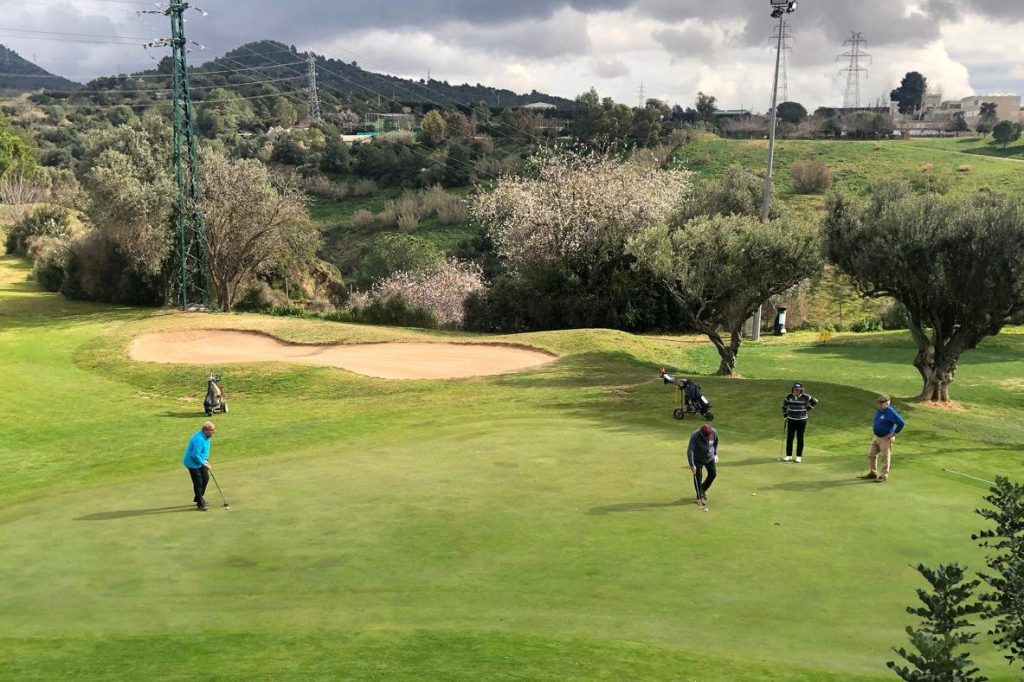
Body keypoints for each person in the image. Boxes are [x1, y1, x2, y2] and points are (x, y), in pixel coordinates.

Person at [861, 395, 905, 483]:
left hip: (885, 438)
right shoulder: (879, 410)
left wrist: (894, 433)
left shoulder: (891, 412)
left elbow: (901, 423)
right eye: (879, 403)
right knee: (871, 454)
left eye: (881, 404)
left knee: (885, 457)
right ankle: (873, 473)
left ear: (887, 403)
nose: (879, 405)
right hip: (876, 436)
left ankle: (883, 476)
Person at [183, 421, 216, 510]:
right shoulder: (199, 439)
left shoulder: (207, 437)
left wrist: (206, 460)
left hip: (201, 460)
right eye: (212, 430)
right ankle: (200, 503)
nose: (214, 431)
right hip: (192, 462)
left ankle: (198, 497)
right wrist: (204, 463)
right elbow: (195, 455)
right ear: (206, 430)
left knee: (205, 478)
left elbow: (205, 450)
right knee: (198, 482)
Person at [782, 382, 818, 463]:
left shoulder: (806, 397)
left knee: (800, 438)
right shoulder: (789, 397)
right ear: (793, 389)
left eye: (798, 390)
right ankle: (788, 455)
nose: (796, 391)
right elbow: (784, 406)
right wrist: (785, 416)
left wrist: (807, 409)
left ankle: (798, 456)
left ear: (801, 390)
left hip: (802, 420)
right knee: (790, 438)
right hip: (791, 420)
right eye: (795, 389)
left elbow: (815, 401)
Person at [687, 423, 719, 508]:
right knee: (698, 477)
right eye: (706, 437)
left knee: (713, 474)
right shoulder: (695, 435)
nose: (707, 439)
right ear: (701, 434)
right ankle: (699, 497)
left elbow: (715, 443)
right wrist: (692, 464)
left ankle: (702, 489)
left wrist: (715, 454)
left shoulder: (713, 433)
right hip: (698, 459)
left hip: (710, 458)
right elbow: (690, 450)